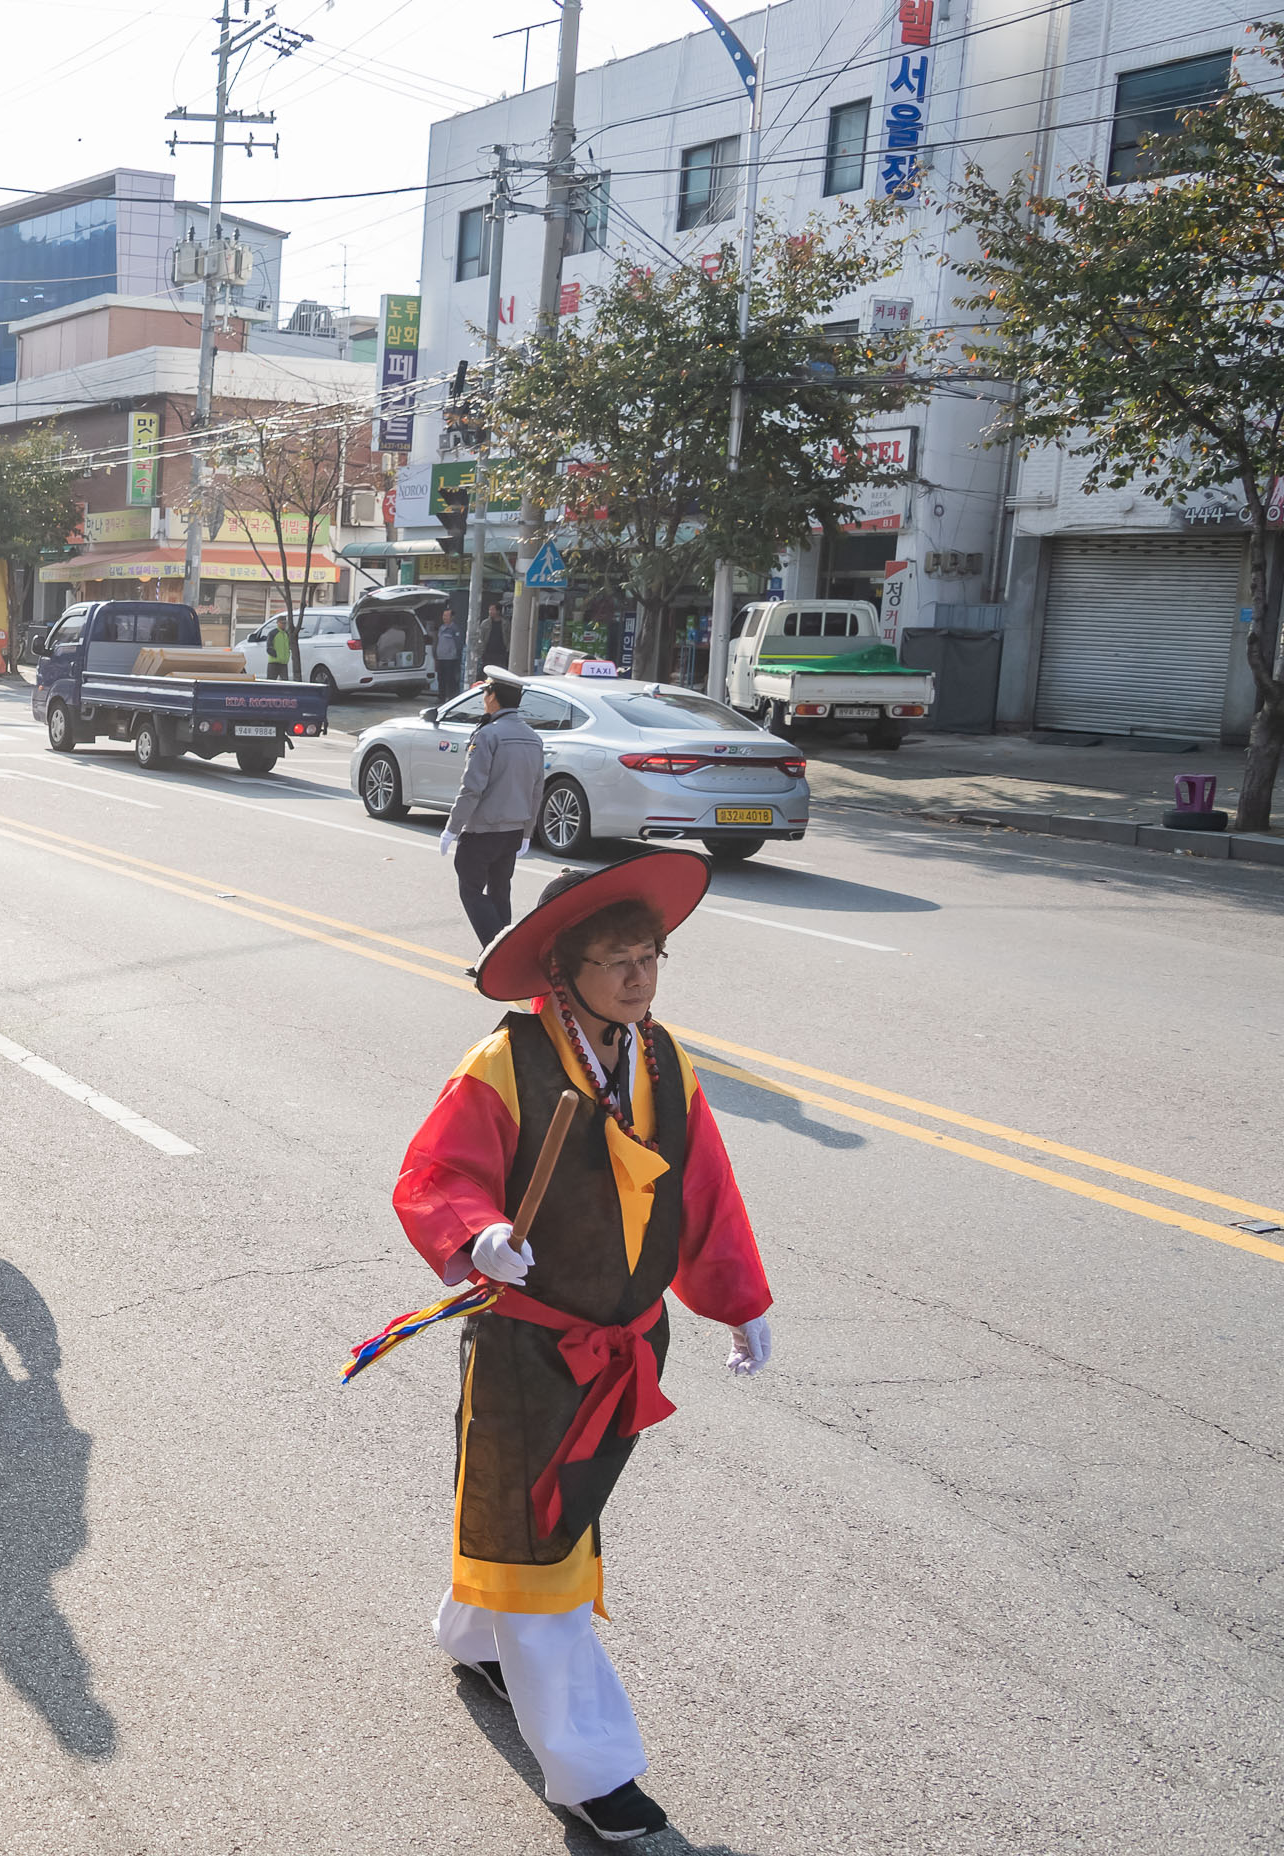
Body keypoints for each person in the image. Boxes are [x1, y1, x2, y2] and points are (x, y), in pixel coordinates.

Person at [388, 849, 773, 1845]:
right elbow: (434, 1172)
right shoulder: (504, 1062)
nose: (641, 977)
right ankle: (593, 1769)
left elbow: (703, 1192)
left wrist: (739, 1297)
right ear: (566, 972)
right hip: (530, 1351)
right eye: (618, 960)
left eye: (652, 955)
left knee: (538, 1526)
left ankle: (473, 1632)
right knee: (548, 1540)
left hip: (628, 1345)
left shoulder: (664, 1058)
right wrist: (474, 1233)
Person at [442, 673, 545, 947]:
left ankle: (496, 951)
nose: (484, 700)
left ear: (492, 697)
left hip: (483, 831)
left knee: (471, 889)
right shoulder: (533, 738)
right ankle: (505, 950)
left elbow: (471, 788)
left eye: (486, 694)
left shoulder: (488, 735)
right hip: (512, 832)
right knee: (500, 891)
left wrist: (452, 828)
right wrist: (527, 832)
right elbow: (537, 790)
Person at [435, 608, 464, 700]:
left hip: (450, 659)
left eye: (447, 616)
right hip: (441, 658)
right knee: (441, 678)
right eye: (444, 615)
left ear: (452, 617)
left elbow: (459, 643)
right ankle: (441, 697)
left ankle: (452, 698)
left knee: (450, 679)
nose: (444, 617)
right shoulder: (441, 628)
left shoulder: (455, 629)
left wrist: (456, 655)